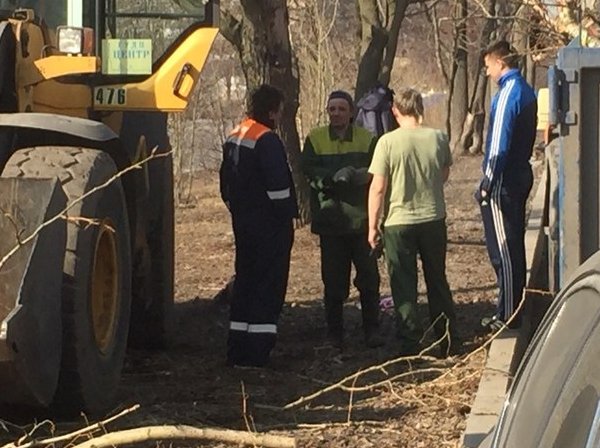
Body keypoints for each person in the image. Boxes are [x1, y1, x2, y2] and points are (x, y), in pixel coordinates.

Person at [367, 87, 456, 357]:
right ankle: (447, 336)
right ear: (421, 108)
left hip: (398, 221)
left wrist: (372, 226)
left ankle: (410, 343)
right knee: (437, 279)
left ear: (395, 111)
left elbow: (378, 188)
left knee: (404, 283)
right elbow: (443, 174)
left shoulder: (387, 143)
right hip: (433, 218)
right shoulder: (439, 138)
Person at [219, 84, 298, 367]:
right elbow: (278, 188)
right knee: (269, 285)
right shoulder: (267, 140)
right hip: (270, 224)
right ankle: (259, 350)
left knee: (246, 281)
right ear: (272, 110)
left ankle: (237, 348)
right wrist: (287, 214)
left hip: (243, 222)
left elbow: (225, 187)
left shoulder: (235, 135)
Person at [301, 90, 384, 350]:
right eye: (331, 109)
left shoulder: (367, 139)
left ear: (351, 113)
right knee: (334, 281)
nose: (335, 113)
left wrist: (363, 176)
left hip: (361, 222)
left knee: (369, 279)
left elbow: (379, 169)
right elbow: (308, 170)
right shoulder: (315, 139)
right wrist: (331, 178)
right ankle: (334, 334)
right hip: (332, 222)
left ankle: (371, 330)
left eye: (341, 109)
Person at [477, 41, 537, 331]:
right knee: (512, 245)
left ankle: (509, 315)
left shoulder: (507, 95)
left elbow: (498, 144)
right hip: (519, 173)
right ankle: (510, 307)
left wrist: (487, 182)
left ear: (500, 64)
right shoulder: (526, 90)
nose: (487, 73)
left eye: (488, 66)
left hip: (504, 181)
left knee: (503, 249)